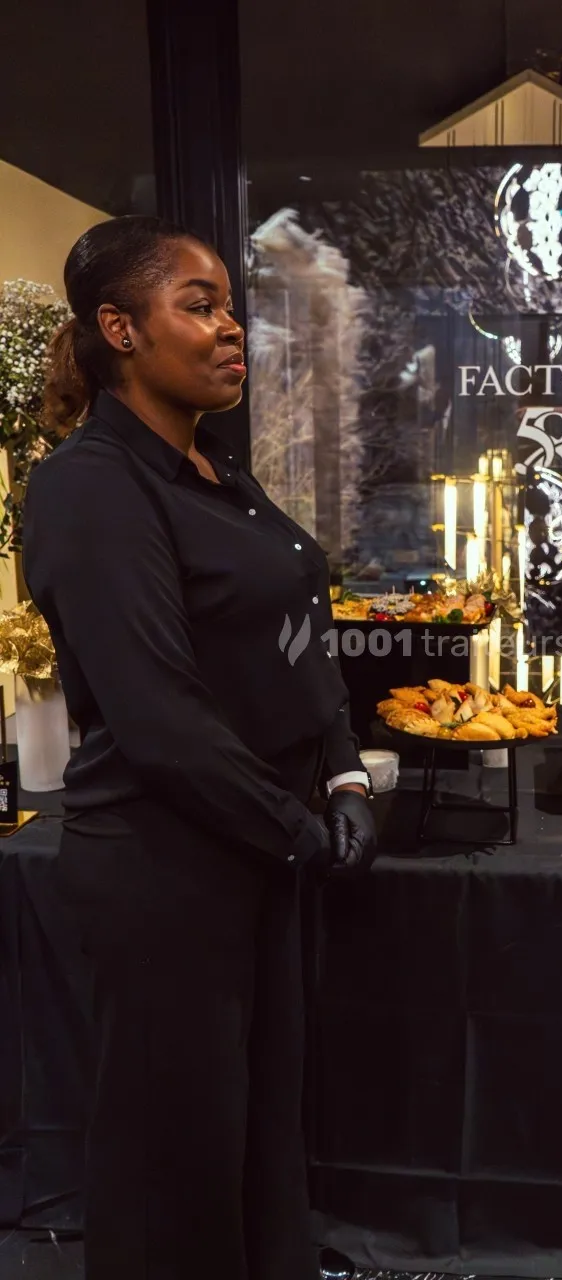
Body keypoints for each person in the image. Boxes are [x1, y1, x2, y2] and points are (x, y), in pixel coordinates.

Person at [23, 215, 377, 1280]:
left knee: (255, 1137)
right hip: (164, 869)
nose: (231, 328)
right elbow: (159, 719)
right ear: (119, 328)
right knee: (175, 1163)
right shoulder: (89, 485)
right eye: (201, 304)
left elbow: (300, 630)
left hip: (252, 851)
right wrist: (300, 833)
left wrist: (345, 770)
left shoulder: (213, 467)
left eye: (229, 305)